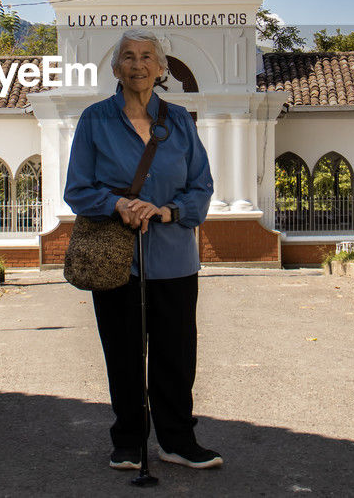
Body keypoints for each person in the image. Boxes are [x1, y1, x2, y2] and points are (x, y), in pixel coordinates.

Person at [64, 29, 221, 471]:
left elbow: (202, 188)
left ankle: (177, 441)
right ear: (116, 68)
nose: (138, 64)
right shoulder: (95, 120)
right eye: (129, 57)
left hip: (174, 258)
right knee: (124, 352)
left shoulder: (180, 123)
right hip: (117, 259)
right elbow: (77, 189)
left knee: (176, 353)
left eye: (147, 57)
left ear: (161, 68)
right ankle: (129, 440)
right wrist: (116, 204)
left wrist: (167, 212)